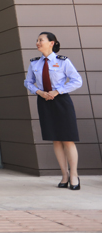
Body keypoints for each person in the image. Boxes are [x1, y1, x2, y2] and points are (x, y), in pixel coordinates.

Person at [24, 32, 83, 190]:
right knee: (56, 139)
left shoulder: (63, 61)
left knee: (67, 139)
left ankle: (74, 175)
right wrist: (39, 92)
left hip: (61, 101)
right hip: (44, 101)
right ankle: (64, 175)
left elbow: (77, 80)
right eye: (37, 40)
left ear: (51, 43)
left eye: (40, 40)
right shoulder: (34, 63)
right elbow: (28, 82)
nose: (37, 42)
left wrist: (58, 91)